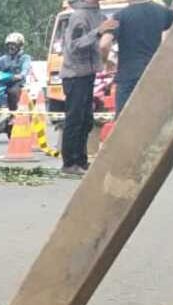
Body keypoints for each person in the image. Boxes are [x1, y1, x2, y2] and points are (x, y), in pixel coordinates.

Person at [59, 0, 113, 176]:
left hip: (88, 74)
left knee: (85, 120)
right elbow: (75, 45)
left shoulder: (95, 14)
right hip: (75, 75)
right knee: (75, 119)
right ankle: (69, 162)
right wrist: (98, 31)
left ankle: (81, 160)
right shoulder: (80, 16)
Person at [100, 0, 173, 117]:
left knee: (124, 120)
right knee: (151, 117)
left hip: (128, 76)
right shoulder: (162, 11)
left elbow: (104, 44)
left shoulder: (119, 16)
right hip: (153, 73)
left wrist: (105, 61)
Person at [0, 32, 33, 112]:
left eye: (13, 45)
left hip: (17, 82)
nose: (11, 47)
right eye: (9, 45)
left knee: (12, 92)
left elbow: (25, 69)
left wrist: (21, 75)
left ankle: (13, 115)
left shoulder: (25, 58)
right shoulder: (3, 59)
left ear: (20, 46)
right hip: (3, 82)